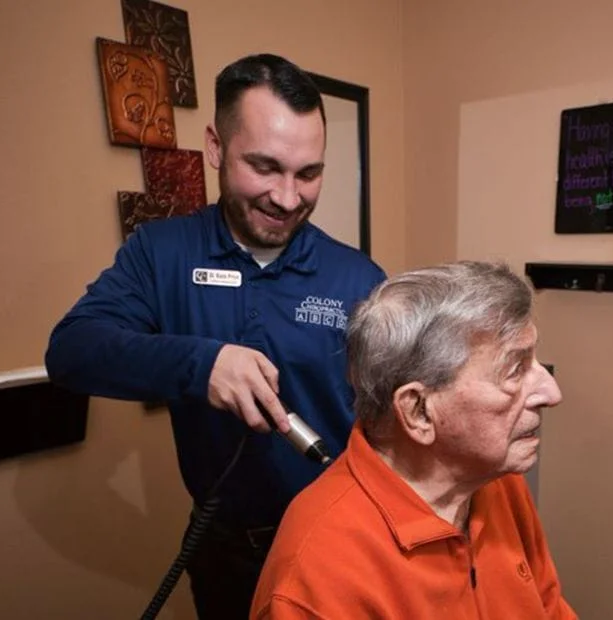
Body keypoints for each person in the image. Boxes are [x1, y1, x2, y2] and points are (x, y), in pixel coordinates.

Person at [44, 53, 386, 619]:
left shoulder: (359, 278)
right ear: (215, 148)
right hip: (228, 553)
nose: (287, 196)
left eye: (308, 173)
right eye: (265, 167)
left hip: (342, 542)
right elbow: (71, 352)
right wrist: (200, 365)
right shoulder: (161, 254)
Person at [250, 261, 578, 619]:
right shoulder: (315, 580)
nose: (551, 392)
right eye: (515, 370)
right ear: (418, 411)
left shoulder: (496, 481)